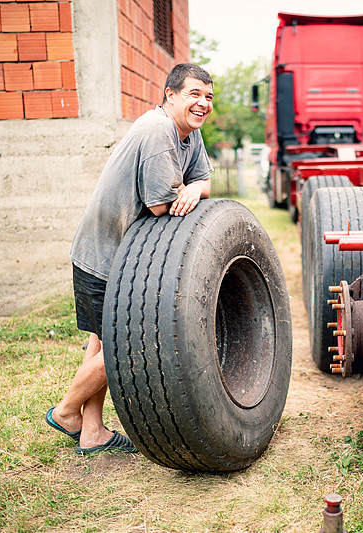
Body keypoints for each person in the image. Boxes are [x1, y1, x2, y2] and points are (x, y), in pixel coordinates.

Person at [45, 63, 215, 455]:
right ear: (170, 94)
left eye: (208, 96)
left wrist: (196, 187)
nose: (202, 103)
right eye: (194, 94)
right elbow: (160, 206)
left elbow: (204, 180)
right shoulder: (159, 131)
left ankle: (92, 432)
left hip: (120, 257)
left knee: (103, 345)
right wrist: (187, 192)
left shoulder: (189, 133)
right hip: (105, 258)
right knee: (122, 348)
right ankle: (67, 411)